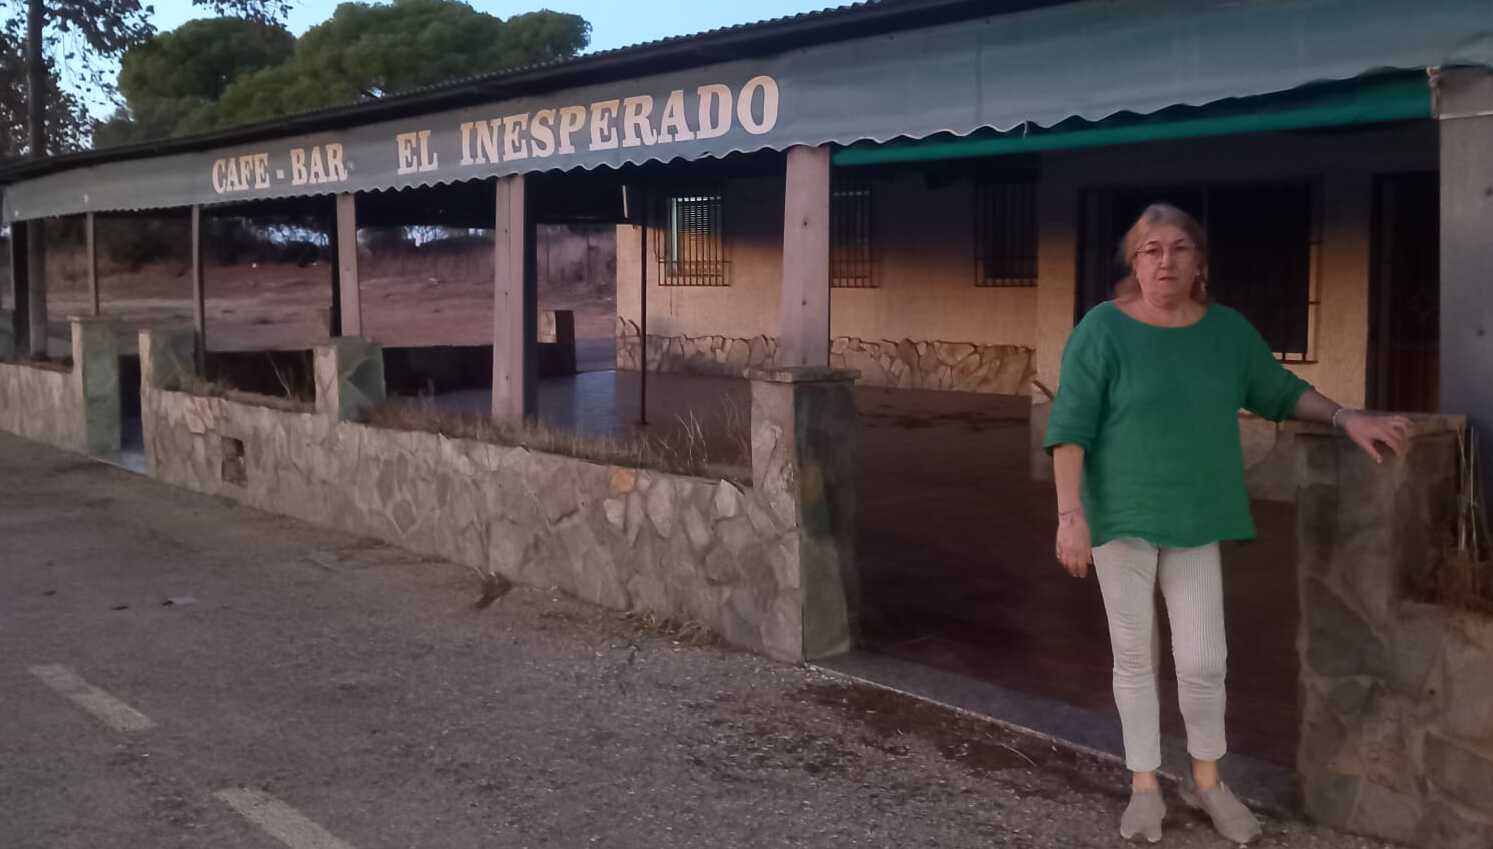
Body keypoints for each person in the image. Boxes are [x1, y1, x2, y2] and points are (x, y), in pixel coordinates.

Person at [1042, 203, 1411, 844]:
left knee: (1206, 658)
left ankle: (1209, 781)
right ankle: (1145, 786)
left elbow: (1277, 388)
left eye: (1178, 248)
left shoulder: (1227, 332)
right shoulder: (1101, 330)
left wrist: (1347, 417)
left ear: (1199, 261)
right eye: (1150, 249)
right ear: (1133, 263)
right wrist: (1070, 516)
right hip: (1118, 517)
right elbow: (1070, 427)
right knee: (1134, 657)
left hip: (1197, 513)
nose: (1165, 260)